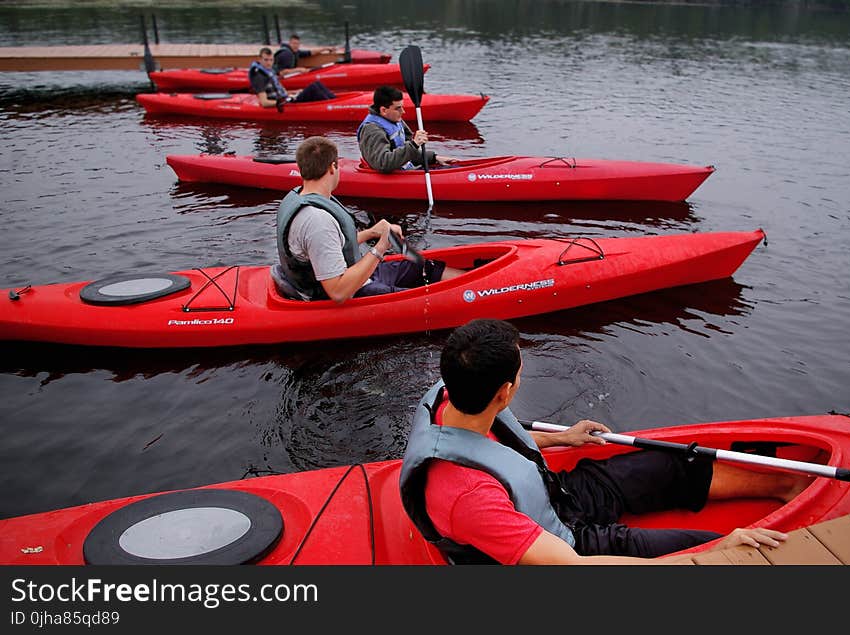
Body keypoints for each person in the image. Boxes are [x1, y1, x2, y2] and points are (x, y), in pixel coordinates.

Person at [399, 318, 811, 565]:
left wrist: (566, 438)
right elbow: (573, 566)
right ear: (505, 392)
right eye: (522, 370)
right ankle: (731, 547)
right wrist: (724, 547)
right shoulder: (468, 498)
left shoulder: (454, 391)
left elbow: (496, 446)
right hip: (565, 543)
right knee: (710, 550)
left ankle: (785, 486)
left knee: (668, 465)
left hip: (556, 498)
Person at [274, 136, 466, 303]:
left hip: (353, 275)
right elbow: (338, 292)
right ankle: (471, 296)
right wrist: (381, 247)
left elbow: (329, 245)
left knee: (423, 267)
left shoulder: (302, 196)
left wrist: (372, 232)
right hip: (346, 291)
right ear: (333, 167)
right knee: (421, 297)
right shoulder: (317, 221)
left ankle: (470, 284)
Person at [357, 85, 458, 173]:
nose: (403, 111)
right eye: (398, 108)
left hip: (403, 168)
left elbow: (408, 153)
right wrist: (414, 144)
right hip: (388, 176)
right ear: (383, 110)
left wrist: (433, 158)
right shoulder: (372, 130)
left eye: (402, 107)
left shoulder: (394, 120)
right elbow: (383, 164)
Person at [248, 47, 336, 111]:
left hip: (286, 98)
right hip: (284, 103)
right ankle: (333, 106)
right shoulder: (259, 77)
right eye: (266, 60)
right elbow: (264, 103)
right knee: (314, 87)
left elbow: (280, 91)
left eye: (271, 60)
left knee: (318, 84)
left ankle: (334, 101)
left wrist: (293, 92)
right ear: (259, 59)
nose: (269, 63)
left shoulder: (269, 71)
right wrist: (281, 102)